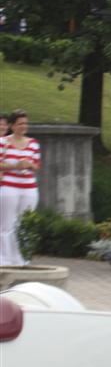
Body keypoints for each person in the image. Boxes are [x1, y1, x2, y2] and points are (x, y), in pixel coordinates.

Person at [0, 110, 41, 267]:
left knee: (23, 224)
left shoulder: (33, 143)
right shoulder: (3, 142)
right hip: (9, 187)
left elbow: (37, 165)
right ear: (12, 126)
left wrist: (29, 164)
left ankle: (21, 257)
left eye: (25, 123)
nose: (23, 126)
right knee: (6, 223)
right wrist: (15, 165)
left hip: (29, 188)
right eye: (20, 123)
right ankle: (4, 258)